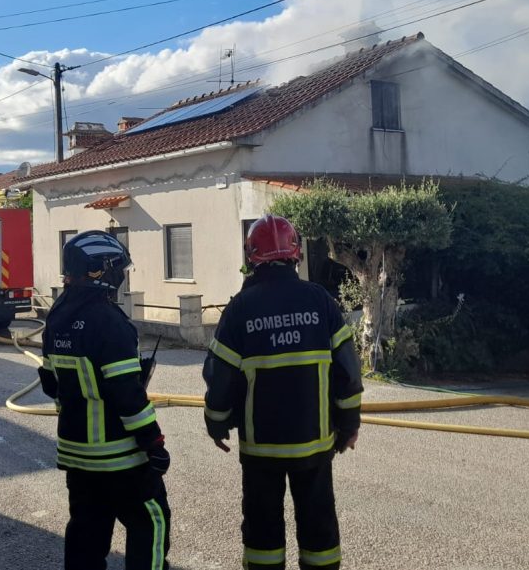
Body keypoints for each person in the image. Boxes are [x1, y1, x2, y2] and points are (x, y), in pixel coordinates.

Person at [203, 215, 363, 570]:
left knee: (263, 532)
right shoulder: (321, 302)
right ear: (296, 255)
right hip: (316, 444)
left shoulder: (241, 309)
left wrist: (217, 423)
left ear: (251, 257)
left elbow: (218, 377)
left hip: (261, 450)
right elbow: (348, 375)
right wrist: (349, 424)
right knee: (319, 526)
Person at [38, 231, 171, 570]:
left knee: (86, 537)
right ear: (101, 271)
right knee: (151, 522)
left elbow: (51, 384)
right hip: (119, 456)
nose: (121, 279)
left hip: (76, 456)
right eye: (118, 270)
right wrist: (153, 442)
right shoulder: (109, 321)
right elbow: (126, 394)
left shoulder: (56, 317)